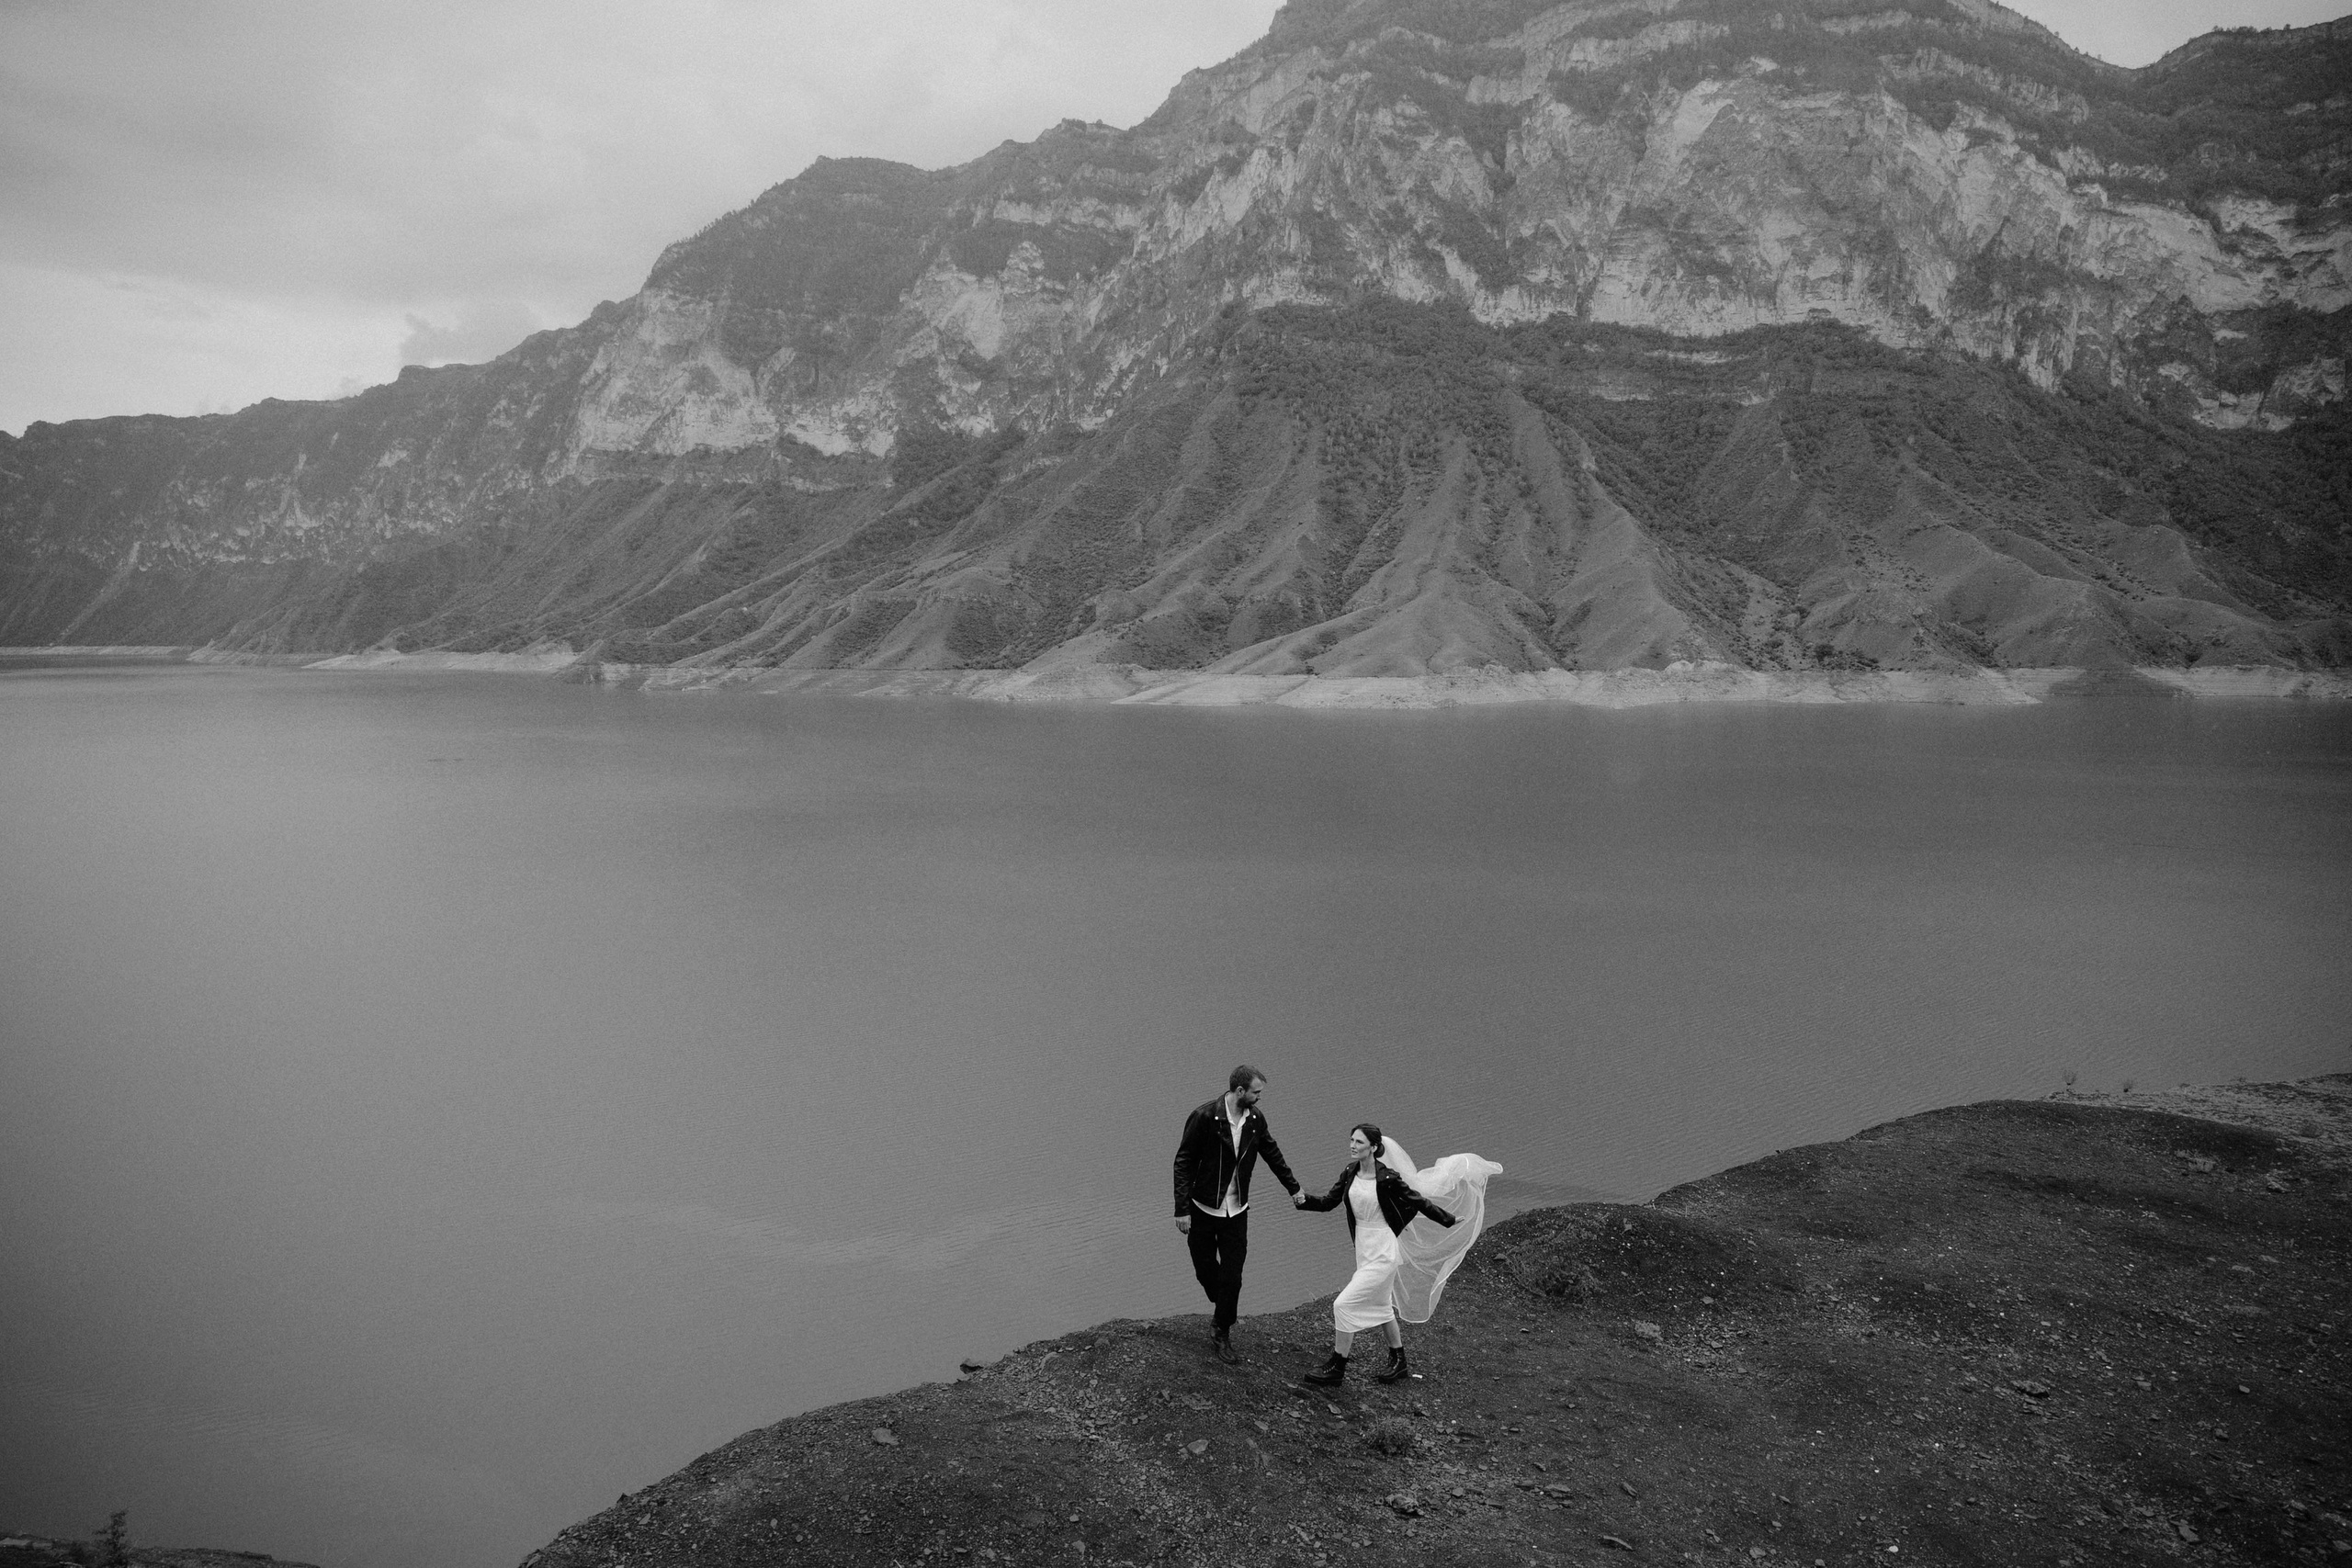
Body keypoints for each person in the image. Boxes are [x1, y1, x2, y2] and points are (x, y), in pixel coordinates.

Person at [1296, 1122, 1501, 1385]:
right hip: (1364, 1249)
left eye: (1359, 1142)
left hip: (1384, 1251)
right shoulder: (1350, 1172)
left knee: (1342, 1305)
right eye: (1351, 1140)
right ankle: (1399, 1361)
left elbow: (1418, 1200)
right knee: (1383, 1306)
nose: (1352, 1145)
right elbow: (1328, 1202)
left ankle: (1337, 1366)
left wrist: (1447, 1219)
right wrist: (1304, 1201)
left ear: (1373, 1147)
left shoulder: (1388, 1178)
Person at [1172, 1065, 1304, 1365]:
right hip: (1203, 1209)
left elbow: (1272, 1153)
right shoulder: (1205, 1117)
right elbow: (1184, 1162)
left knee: (1233, 1277)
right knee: (1206, 1271)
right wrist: (1181, 1208)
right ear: (1240, 1090)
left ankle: (1221, 1330)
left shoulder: (1255, 1120)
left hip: (1237, 1212)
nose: (1259, 1097)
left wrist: (1293, 1188)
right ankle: (1223, 1305)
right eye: (1256, 1092)